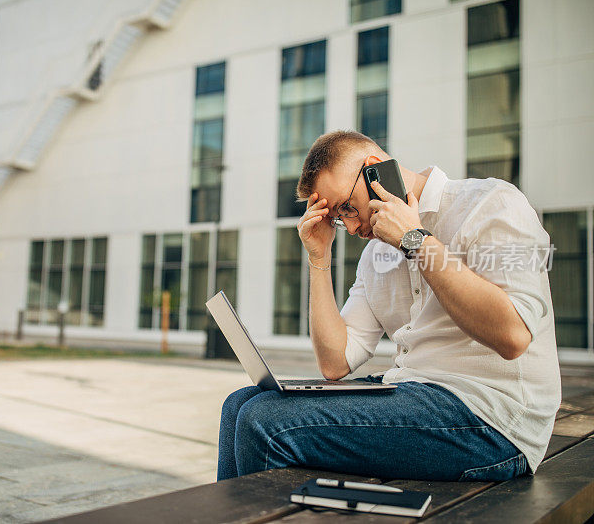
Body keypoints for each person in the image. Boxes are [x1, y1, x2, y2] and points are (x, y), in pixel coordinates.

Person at [217, 130, 561, 482]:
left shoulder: (491, 202)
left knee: (265, 423)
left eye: (348, 207)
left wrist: (415, 240)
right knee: (239, 406)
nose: (350, 227)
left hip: (493, 418)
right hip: (411, 393)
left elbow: (513, 335)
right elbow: (335, 362)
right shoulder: (375, 254)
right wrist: (319, 257)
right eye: (337, 217)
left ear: (375, 170)